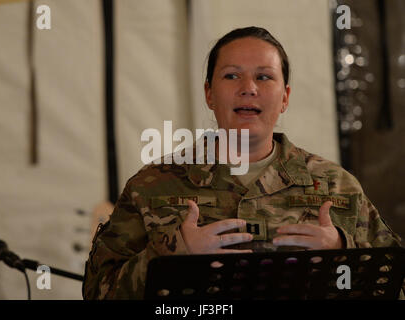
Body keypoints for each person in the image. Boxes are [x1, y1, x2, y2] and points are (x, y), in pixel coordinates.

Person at [82, 26, 402, 299]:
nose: (248, 89)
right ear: (209, 93)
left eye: (264, 77)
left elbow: (397, 284)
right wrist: (173, 252)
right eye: (231, 75)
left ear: (285, 97)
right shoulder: (150, 186)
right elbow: (98, 292)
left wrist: (342, 254)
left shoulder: (337, 186)